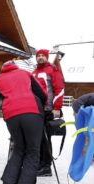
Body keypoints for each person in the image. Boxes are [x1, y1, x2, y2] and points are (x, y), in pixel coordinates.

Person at [0, 61, 47, 184]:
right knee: (33, 151)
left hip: (11, 114)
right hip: (32, 112)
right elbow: (42, 93)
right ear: (15, 66)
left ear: (3, 68)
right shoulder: (25, 73)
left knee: (18, 149)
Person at [32, 49, 64, 177]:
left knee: (45, 138)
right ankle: (39, 162)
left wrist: (56, 107)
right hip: (34, 109)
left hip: (47, 109)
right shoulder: (34, 72)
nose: (40, 57)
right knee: (37, 138)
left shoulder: (52, 70)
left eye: (42, 56)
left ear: (46, 57)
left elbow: (59, 89)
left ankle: (46, 166)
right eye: (38, 56)